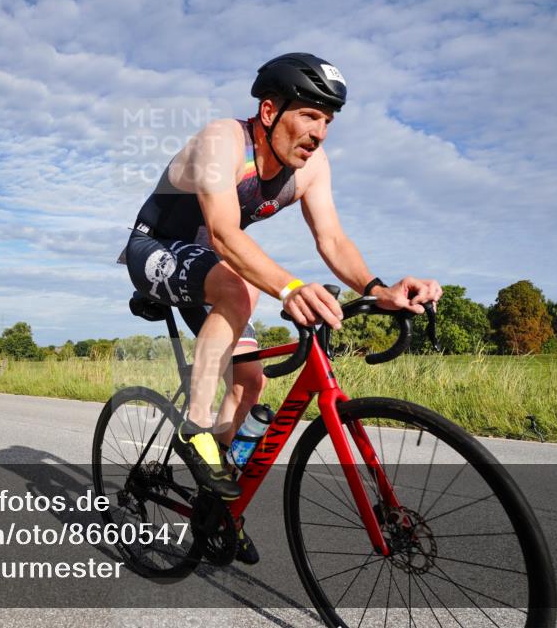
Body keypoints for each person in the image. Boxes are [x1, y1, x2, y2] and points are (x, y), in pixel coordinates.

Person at [120, 53, 442, 564]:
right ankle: (195, 430)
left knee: (251, 384)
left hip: (215, 265)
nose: (321, 132)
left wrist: (379, 288)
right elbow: (224, 235)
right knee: (241, 288)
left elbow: (332, 239)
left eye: (329, 121)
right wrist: (288, 288)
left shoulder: (312, 169)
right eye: (311, 116)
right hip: (156, 247)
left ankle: (214, 507)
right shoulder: (221, 141)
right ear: (269, 112)